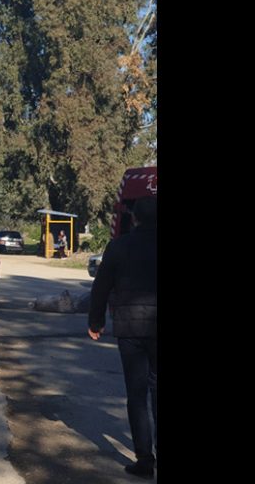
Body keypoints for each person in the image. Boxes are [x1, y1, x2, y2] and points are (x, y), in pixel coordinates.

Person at [88, 196, 157, 479]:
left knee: (137, 395)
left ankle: (144, 460)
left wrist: (96, 321)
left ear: (135, 218)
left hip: (130, 329)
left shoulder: (118, 246)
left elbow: (101, 285)